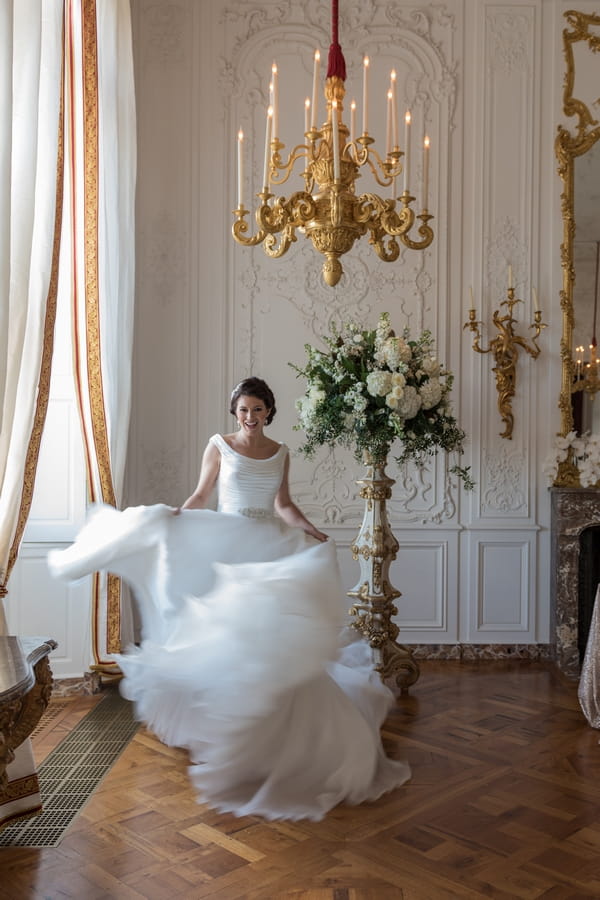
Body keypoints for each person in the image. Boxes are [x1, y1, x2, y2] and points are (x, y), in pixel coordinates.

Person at [48, 377, 410, 821]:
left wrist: (308, 528)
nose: (250, 418)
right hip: (226, 541)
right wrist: (176, 517)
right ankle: (231, 730)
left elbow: (283, 504)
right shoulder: (219, 445)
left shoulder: (281, 452)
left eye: (257, 410)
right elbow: (203, 495)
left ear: (268, 411)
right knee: (228, 636)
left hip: (267, 544)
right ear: (234, 412)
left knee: (272, 641)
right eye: (243, 410)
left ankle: (278, 736)